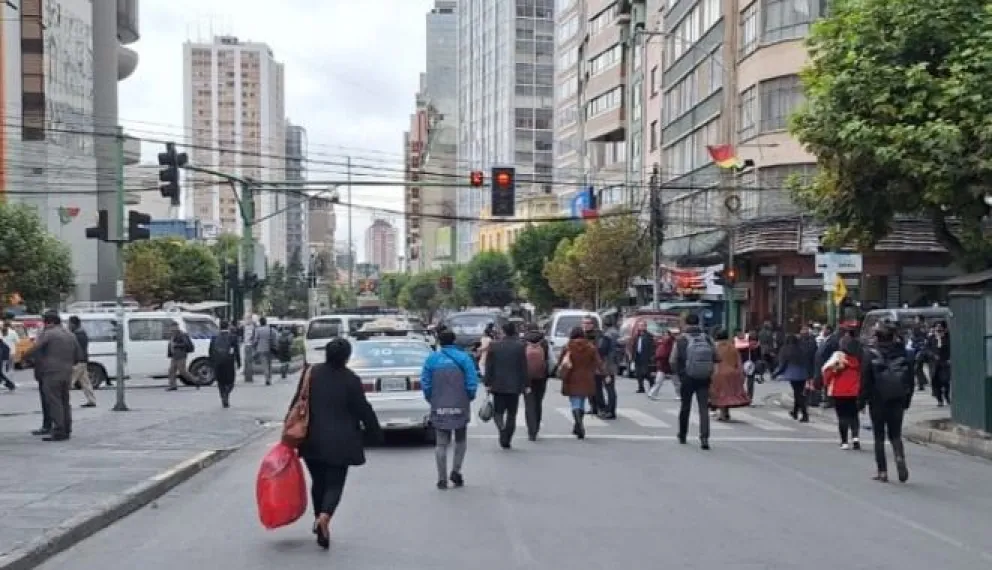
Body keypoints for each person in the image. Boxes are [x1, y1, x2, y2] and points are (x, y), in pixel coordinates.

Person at [292, 338, 381, 548]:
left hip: (312, 438)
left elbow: (297, 401)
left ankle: (317, 518)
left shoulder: (311, 374)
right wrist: (375, 432)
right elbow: (363, 409)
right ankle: (324, 517)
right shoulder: (351, 379)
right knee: (335, 483)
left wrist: (290, 432)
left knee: (318, 482)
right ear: (347, 357)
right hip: (341, 441)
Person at [420, 329, 478, 489]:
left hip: (439, 404)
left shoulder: (431, 360)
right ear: (454, 341)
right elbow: (472, 380)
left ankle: (441, 478)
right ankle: (456, 471)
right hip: (460, 403)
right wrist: (469, 396)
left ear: (439, 341)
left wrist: (431, 398)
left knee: (441, 443)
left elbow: (425, 382)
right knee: (460, 439)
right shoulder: (464, 358)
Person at [860, 324, 914, 483]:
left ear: (877, 337)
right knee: (895, 434)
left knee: (879, 437)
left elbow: (865, 381)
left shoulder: (870, 355)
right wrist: (906, 400)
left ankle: (882, 471)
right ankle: (899, 456)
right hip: (897, 398)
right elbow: (910, 380)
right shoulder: (904, 354)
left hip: (877, 400)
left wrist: (861, 401)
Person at [24, 311, 80, 441]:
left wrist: (25, 357)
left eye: (44, 322)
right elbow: (78, 356)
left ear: (49, 322)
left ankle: (59, 430)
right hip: (67, 372)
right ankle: (67, 428)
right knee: (65, 401)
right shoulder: (70, 335)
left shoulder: (49, 333)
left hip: (51, 372)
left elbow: (35, 348)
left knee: (54, 401)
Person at [669, 314, 719, 449]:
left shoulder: (680, 340)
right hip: (704, 377)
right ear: (699, 322)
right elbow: (716, 357)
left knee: (685, 406)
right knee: (703, 408)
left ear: (686, 324)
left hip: (687, 377)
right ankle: (704, 438)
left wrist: (679, 374)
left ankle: (683, 434)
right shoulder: (708, 339)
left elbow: (673, 360)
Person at [484, 322, 528, 449]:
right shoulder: (520, 346)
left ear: (503, 332)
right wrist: (526, 384)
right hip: (514, 386)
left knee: (498, 412)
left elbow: (489, 366)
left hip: (498, 385)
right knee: (512, 414)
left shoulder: (494, 346)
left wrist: (487, 382)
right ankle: (507, 437)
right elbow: (523, 367)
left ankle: (502, 429)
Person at [556, 327, 601, 439]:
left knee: (575, 402)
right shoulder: (590, 347)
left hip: (572, 377)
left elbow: (560, 361)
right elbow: (598, 362)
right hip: (587, 377)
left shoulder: (568, 347)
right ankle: (578, 424)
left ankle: (578, 425)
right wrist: (605, 373)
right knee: (581, 401)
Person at [822, 335, 863, 450]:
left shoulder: (838, 359)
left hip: (839, 391)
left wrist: (826, 384)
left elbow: (827, 374)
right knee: (854, 415)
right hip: (855, 391)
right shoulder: (859, 360)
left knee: (842, 417)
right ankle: (856, 438)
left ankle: (844, 442)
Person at [709, 329, 750, 421]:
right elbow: (739, 362)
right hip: (732, 373)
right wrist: (741, 374)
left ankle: (723, 414)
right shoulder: (733, 348)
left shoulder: (715, 347)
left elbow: (712, 361)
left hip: (718, 373)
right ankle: (726, 412)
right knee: (728, 394)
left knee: (721, 395)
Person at [584, 316, 617, 419]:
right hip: (595, 366)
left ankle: (610, 411)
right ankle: (597, 407)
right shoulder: (585, 335)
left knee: (608, 388)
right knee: (594, 388)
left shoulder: (601, 336)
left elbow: (601, 351)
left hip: (605, 365)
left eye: (588, 323)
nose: (585, 325)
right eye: (584, 323)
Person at [523, 323, 551, 440]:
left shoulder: (523, 342)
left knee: (529, 404)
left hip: (527, 378)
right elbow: (551, 360)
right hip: (541, 377)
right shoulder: (544, 343)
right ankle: (537, 426)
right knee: (538, 403)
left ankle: (531, 430)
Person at [774, 334, 811, 422]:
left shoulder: (785, 349)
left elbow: (783, 365)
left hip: (792, 373)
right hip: (803, 373)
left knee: (798, 394)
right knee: (798, 393)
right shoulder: (801, 349)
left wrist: (776, 373)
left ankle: (805, 414)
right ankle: (795, 412)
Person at [209, 321, 242, 407]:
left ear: (219, 327)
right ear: (228, 327)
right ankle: (226, 394)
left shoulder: (214, 337)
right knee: (230, 381)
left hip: (218, 362)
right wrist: (239, 362)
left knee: (220, 381)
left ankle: (223, 395)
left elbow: (210, 351)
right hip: (229, 362)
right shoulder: (233, 337)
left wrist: (212, 362)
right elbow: (236, 351)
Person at [68, 316, 96, 407]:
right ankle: (92, 401)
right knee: (85, 382)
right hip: (83, 360)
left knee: (69, 382)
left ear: (74, 324)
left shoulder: (76, 335)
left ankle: (65, 402)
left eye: (70, 323)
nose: (68, 326)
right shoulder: (82, 333)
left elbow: (74, 349)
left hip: (77, 361)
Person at [628, 319, 656, 393]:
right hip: (637, 356)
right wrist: (632, 355)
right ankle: (641, 387)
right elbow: (633, 346)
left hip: (645, 357)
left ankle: (652, 382)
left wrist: (651, 356)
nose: (640, 327)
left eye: (642, 325)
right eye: (639, 326)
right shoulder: (636, 336)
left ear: (645, 327)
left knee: (645, 372)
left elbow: (652, 347)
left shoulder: (649, 336)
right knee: (638, 373)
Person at [927, 320, 951, 406]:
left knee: (945, 381)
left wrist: (949, 359)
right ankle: (939, 400)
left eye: (940, 327)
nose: (938, 329)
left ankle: (947, 396)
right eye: (937, 328)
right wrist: (933, 355)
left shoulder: (948, 338)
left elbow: (950, 349)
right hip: (934, 364)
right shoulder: (931, 338)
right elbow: (927, 349)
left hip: (945, 363)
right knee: (936, 383)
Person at [166, 323, 195, 391]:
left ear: (177, 327)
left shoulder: (182, 334)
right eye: (171, 327)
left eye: (174, 327)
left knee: (182, 371)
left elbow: (185, 344)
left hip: (181, 355)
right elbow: (171, 344)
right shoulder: (172, 335)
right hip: (174, 355)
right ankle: (173, 386)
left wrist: (176, 345)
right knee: (171, 370)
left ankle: (195, 381)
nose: (172, 328)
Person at [252, 317, 276, 385]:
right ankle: (270, 378)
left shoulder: (258, 330)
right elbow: (275, 338)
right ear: (266, 322)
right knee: (269, 364)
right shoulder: (271, 329)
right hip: (270, 349)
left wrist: (253, 346)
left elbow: (256, 340)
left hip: (261, 349)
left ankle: (267, 379)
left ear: (260, 322)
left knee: (265, 365)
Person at [1, 320, 19, 391]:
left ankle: (6, 383)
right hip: (11, 352)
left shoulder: (2, 332)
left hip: (3, 353)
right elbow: (17, 341)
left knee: (3, 368)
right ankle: (10, 382)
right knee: (11, 368)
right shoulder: (13, 332)